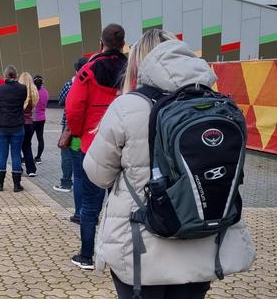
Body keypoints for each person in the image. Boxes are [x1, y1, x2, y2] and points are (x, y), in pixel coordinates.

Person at [83, 29, 256, 298]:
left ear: (138, 63)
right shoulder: (216, 104)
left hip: (142, 248)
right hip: (201, 244)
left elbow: (98, 175)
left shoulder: (127, 106)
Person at [66, 23, 128, 270]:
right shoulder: (132, 71)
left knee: (91, 204)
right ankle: (119, 258)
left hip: (93, 144)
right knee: (124, 203)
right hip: (127, 145)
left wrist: (81, 132)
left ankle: (87, 256)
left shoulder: (88, 70)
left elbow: (73, 107)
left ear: (100, 43)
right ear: (123, 44)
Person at [53, 58, 88, 202]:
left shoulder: (70, 85)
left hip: (70, 126)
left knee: (67, 154)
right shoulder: (94, 83)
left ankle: (66, 182)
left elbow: (61, 100)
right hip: (88, 127)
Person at [0, 65, 26, 192]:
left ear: (5, 75)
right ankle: (17, 185)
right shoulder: (22, 88)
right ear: (16, 75)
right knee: (16, 155)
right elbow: (23, 101)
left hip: (2, 126)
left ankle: (0, 184)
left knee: (2, 155)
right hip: (17, 126)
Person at [18, 72, 38, 177]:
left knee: (17, 147)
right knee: (27, 146)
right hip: (30, 123)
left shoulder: (19, 93)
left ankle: (18, 168)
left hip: (20, 123)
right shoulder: (33, 93)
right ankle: (31, 169)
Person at [32, 75, 49, 164]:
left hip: (32, 119)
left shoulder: (32, 92)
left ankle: (27, 156)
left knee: (27, 139)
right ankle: (38, 157)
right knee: (40, 138)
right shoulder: (45, 92)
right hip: (42, 118)